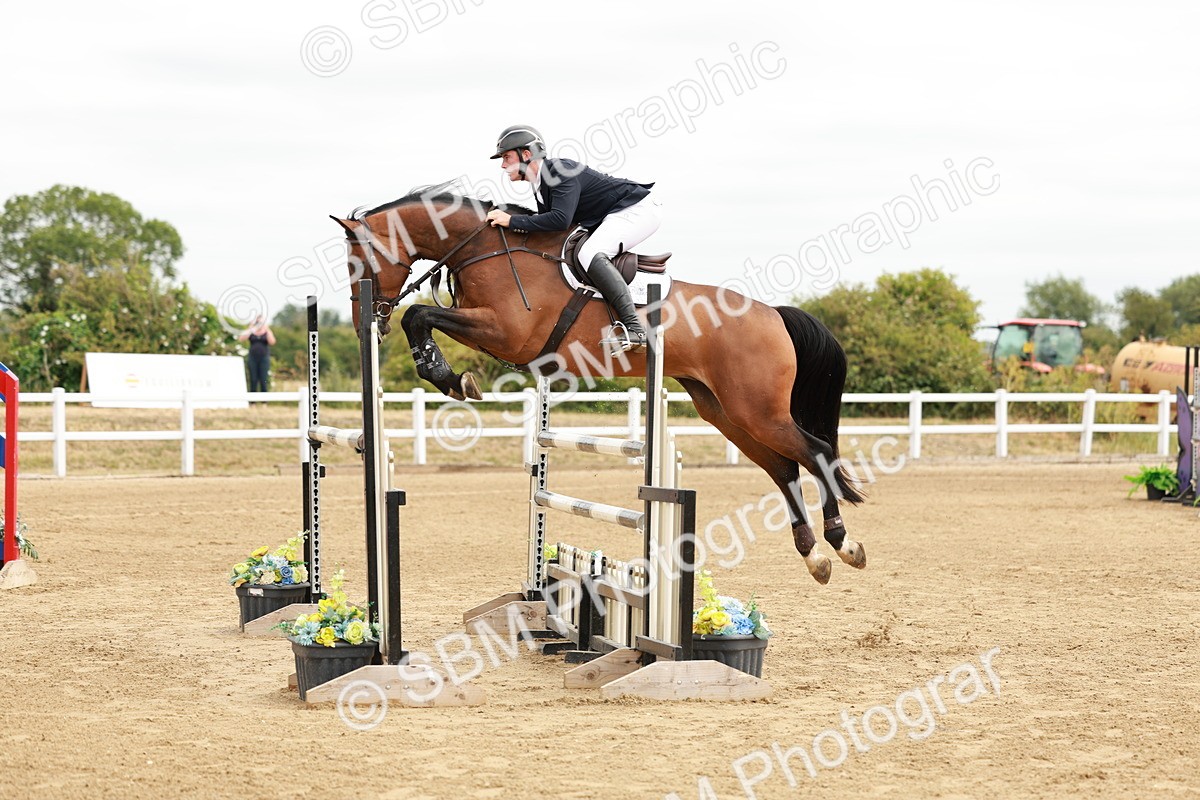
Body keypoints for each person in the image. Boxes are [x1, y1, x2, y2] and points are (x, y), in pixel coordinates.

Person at [483, 125, 661, 352]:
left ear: (526, 154)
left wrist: (512, 221)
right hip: (616, 213)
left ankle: (636, 329)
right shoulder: (540, 184)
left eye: (506, 157)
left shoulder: (559, 171)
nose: (503, 165)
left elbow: (560, 220)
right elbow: (549, 225)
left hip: (638, 210)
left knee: (590, 252)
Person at [238, 315, 275, 399]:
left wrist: (267, 328)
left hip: (264, 358)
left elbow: (272, 342)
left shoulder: (266, 331)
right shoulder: (251, 331)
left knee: (263, 379)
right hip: (253, 358)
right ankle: (252, 401)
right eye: (257, 322)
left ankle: (264, 401)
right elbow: (241, 338)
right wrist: (250, 327)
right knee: (253, 379)